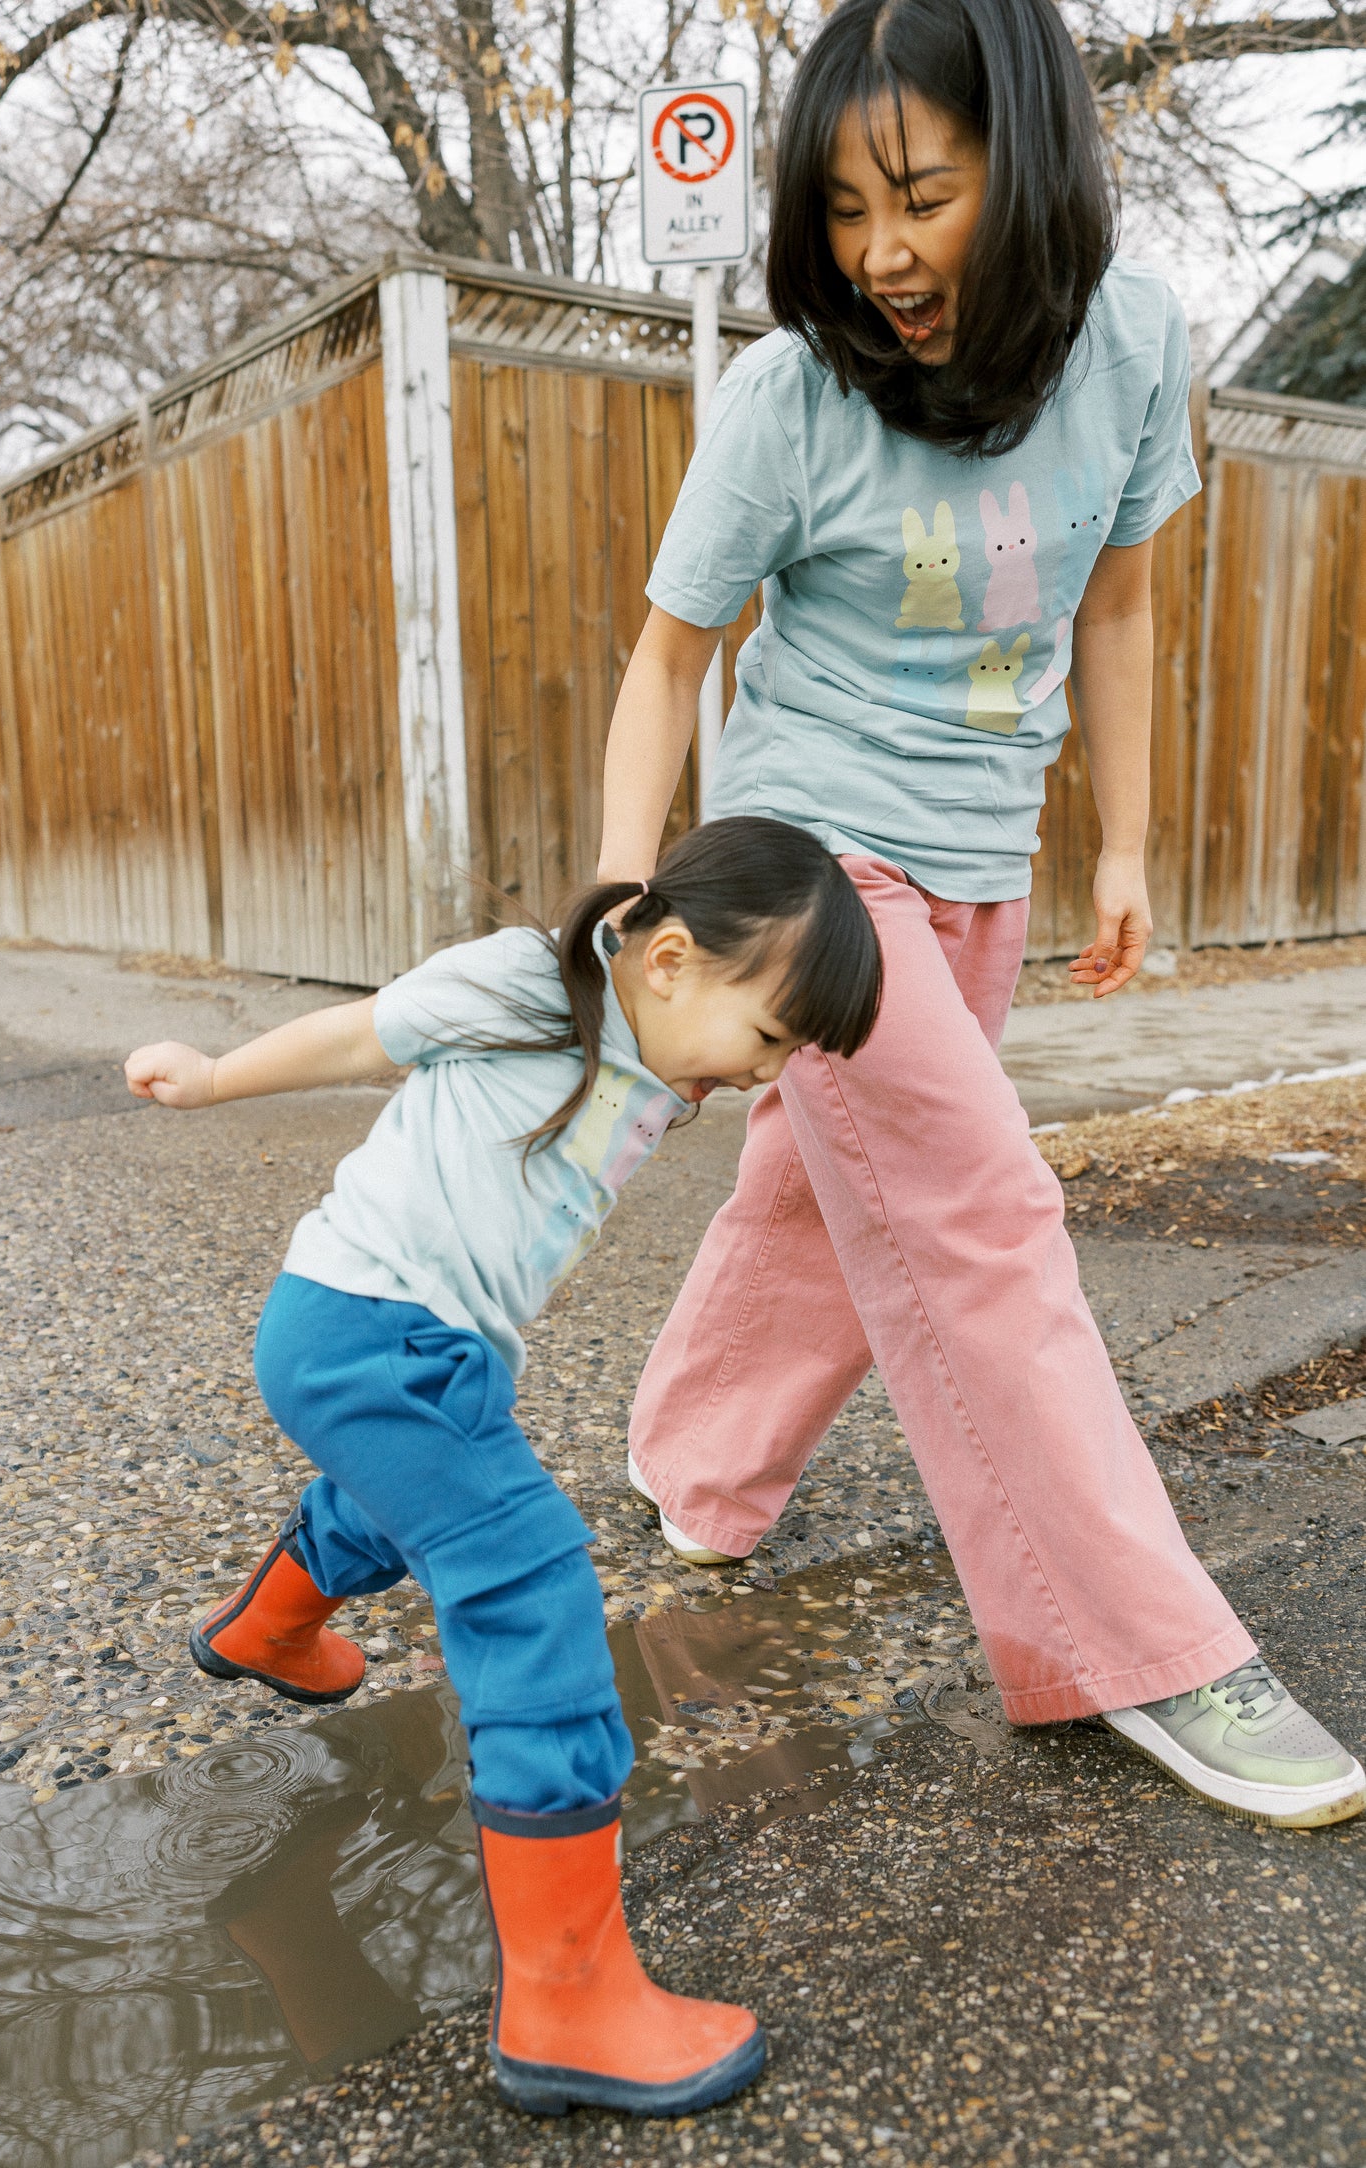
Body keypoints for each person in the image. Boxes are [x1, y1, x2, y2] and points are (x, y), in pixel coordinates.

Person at [599, 0, 1364, 1831]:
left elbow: (1114, 611)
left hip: (982, 855)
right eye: (844, 210)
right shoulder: (788, 396)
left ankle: (694, 1470)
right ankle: (1142, 1647)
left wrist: (1121, 850)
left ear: (1024, 171)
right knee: (976, 1212)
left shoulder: (1134, 344)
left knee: (821, 1181)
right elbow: (666, 658)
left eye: (922, 196)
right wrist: (631, 905)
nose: (878, 255)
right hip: (807, 857)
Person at [123, 815, 881, 2117]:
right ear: (668, 962)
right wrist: (211, 1076)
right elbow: (368, 1033)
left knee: (400, 1503)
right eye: (769, 1040)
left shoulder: (653, 1043)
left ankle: (268, 1630)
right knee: (526, 1583)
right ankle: (568, 2001)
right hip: (370, 1327)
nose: (765, 1078)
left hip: (420, 1347)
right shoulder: (531, 983)